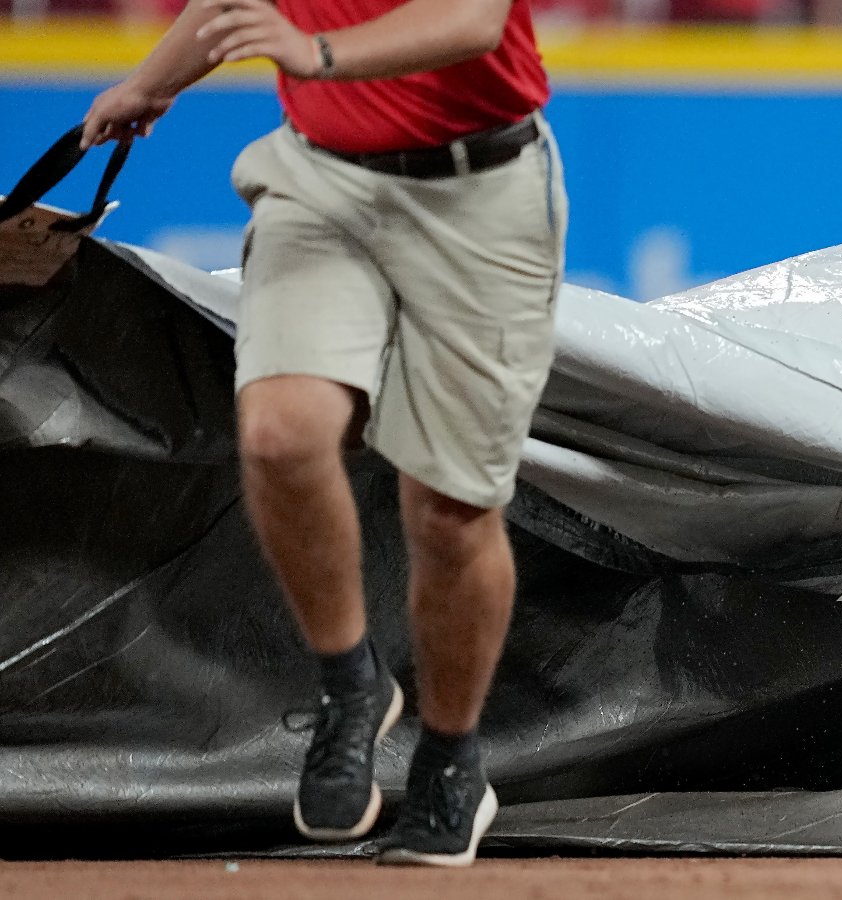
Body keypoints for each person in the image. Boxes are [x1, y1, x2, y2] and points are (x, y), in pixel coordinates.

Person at [81, 0, 565, 866]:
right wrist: (149, 85)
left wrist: (315, 51)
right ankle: (351, 683)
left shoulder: (334, 51)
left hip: (481, 193)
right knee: (279, 436)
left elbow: (473, 20)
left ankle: (452, 759)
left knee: (449, 512)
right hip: (323, 182)